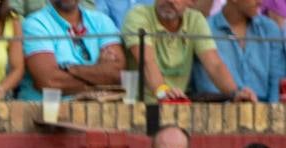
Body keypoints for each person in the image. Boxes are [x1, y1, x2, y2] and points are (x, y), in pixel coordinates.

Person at [122, 0, 257, 101]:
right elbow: (147, 61)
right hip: (140, 108)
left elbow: (214, 65)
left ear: (191, 2)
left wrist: (235, 94)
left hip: (179, 105)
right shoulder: (137, 15)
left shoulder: (195, 19)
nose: (170, 0)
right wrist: (164, 93)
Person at [17, 0, 122, 100]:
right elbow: (50, 81)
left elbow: (117, 74)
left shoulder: (102, 21)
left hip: (97, 110)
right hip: (45, 112)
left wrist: (70, 69)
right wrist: (101, 75)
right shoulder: (35, 24)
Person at [192, 0, 285, 102]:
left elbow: (276, 89)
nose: (260, 2)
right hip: (218, 113)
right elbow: (206, 89)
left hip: (265, 113)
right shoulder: (205, 30)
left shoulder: (269, 30)